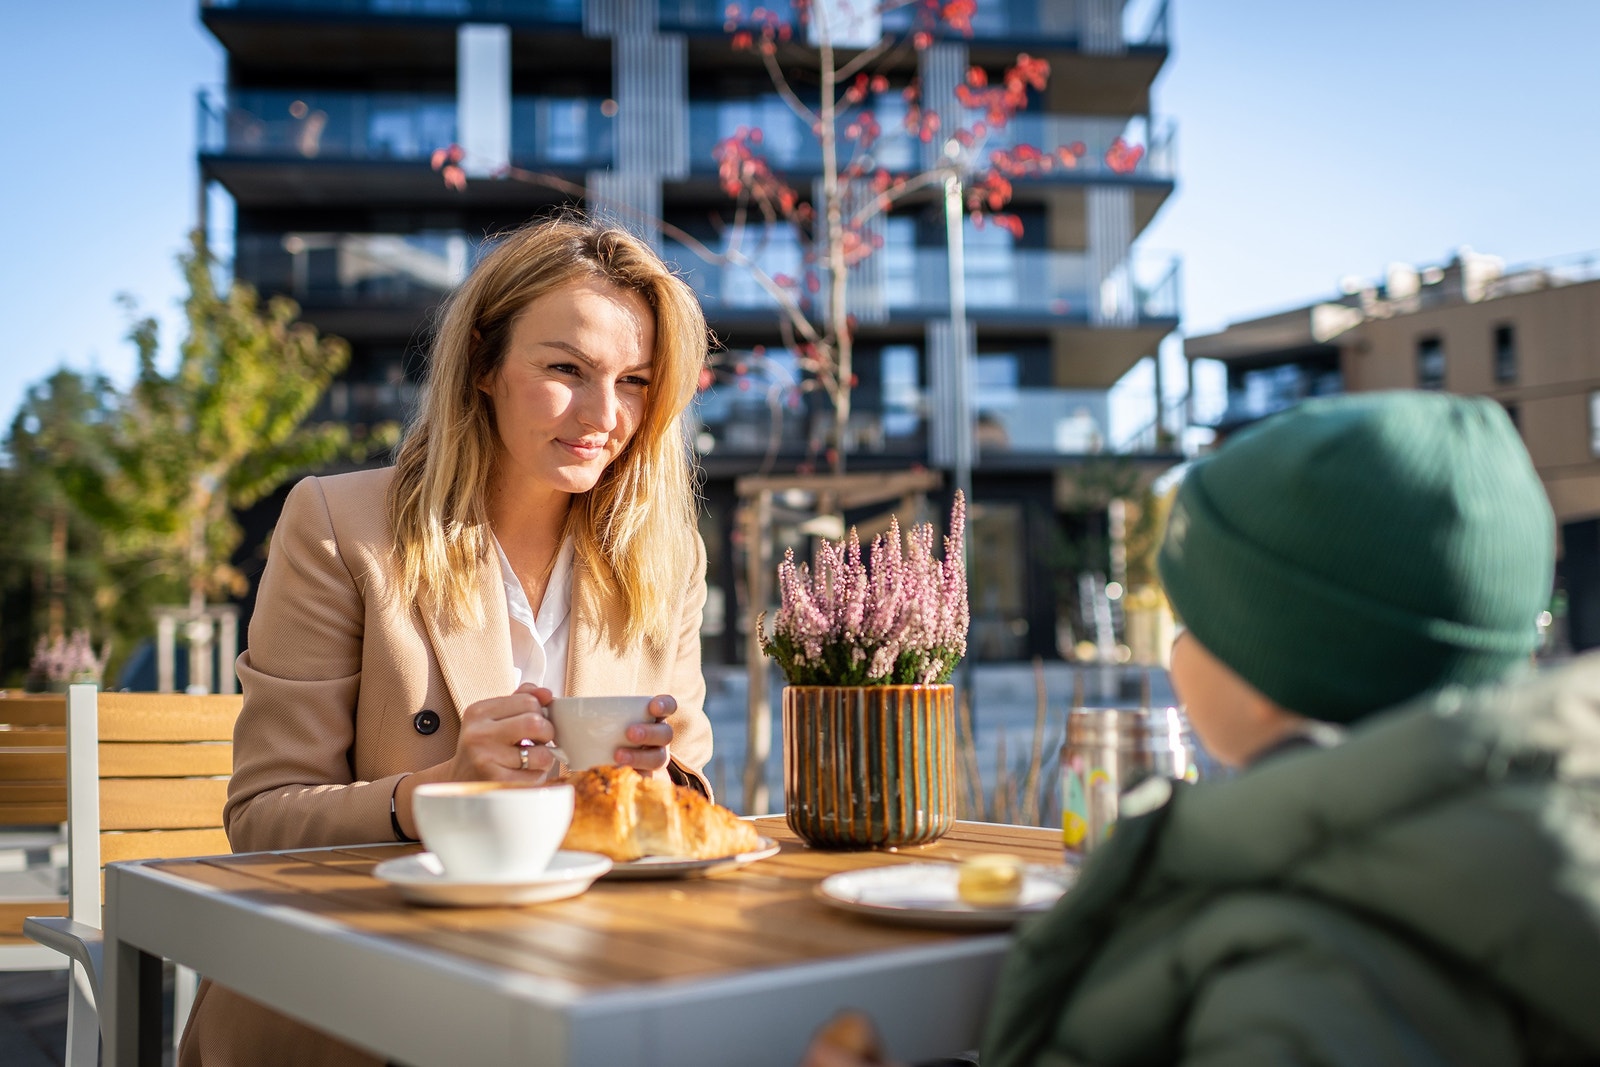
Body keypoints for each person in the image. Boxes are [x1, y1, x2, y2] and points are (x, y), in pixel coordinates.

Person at [809, 392, 1600, 1067]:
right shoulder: (1499, 844)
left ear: (1275, 668)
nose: (1173, 646)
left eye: (1190, 618)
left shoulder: (1306, 966)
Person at [180, 216, 715, 1066]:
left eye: (636, 380)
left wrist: (659, 781)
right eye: (565, 369)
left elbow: (692, 791)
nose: (603, 415)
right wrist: (440, 789)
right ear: (482, 368)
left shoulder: (664, 555)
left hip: (581, 980)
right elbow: (262, 822)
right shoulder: (339, 526)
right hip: (358, 995)